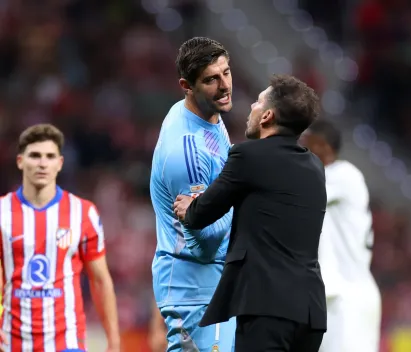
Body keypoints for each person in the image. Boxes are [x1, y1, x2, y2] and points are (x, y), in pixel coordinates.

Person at [173, 74, 327, 352]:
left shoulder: (249, 155)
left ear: (268, 115)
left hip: (267, 308)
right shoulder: (315, 165)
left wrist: (189, 206)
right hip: (311, 311)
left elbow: (201, 214)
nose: (251, 108)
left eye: (257, 102)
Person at [0, 124, 120, 352]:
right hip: (13, 343)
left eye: (49, 156)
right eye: (35, 156)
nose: (42, 163)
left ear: (60, 163)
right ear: (20, 161)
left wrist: (113, 342)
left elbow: (100, 280)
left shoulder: (83, 213)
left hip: (67, 343)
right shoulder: (2, 212)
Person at [149, 37, 235, 352]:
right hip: (195, 287)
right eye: (211, 79)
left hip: (211, 284)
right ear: (187, 85)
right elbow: (205, 244)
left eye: (226, 72)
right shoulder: (188, 153)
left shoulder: (207, 114)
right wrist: (241, 197)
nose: (224, 85)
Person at [300, 120, 382, 352]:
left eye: (307, 143)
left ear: (324, 147)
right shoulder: (332, 179)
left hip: (349, 298)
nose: (300, 149)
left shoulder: (343, 175)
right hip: (337, 297)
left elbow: (294, 193)